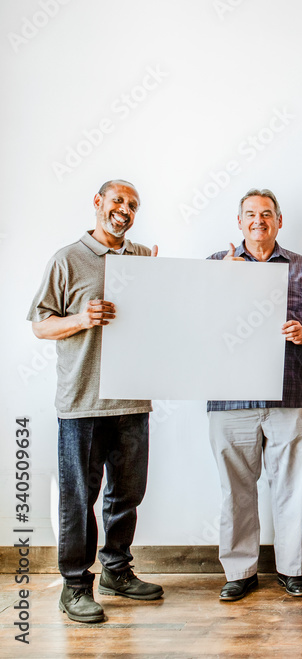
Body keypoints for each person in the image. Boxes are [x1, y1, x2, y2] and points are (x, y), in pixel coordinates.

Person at [28, 180, 162, 623]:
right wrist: (83, 318)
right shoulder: (67, 259)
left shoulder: (143, 258)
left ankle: (117, 572)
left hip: (132, 401)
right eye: (118, 201)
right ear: (98, 203)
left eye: (133, 205)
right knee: (78, 497)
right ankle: (74, 585)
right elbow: (40, 326)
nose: (125, 209)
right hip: (82, 403)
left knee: (127, 494)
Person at [206, 188, 302, 601]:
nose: (259, 220)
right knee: (235, 490)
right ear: (239, 221)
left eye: (267, 214)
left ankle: (293, 569)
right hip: (229, 401)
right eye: (251, 214)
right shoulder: (215, 266)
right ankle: (240, 572)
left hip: (289, 396)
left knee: (292, 487)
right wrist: (224, 279)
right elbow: (198, 325)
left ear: (279, 221)